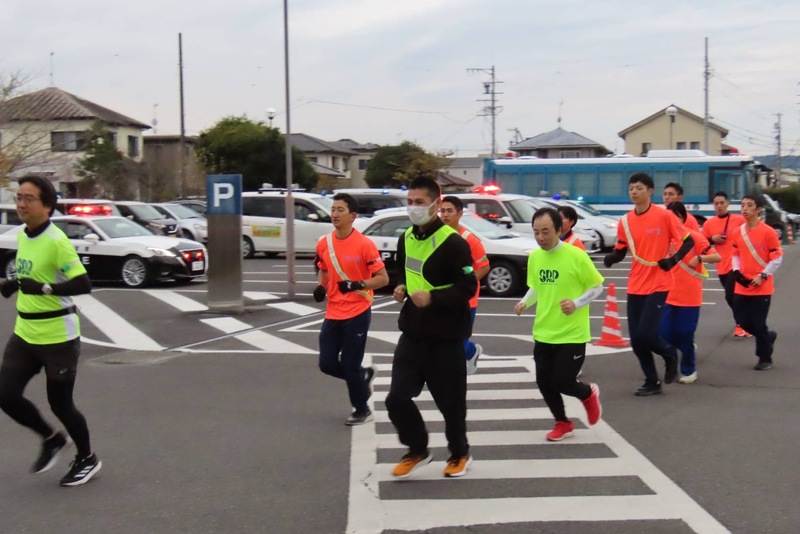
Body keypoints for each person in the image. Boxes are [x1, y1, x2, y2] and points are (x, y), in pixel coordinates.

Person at [0, 176, 101, 486]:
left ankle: (87, 458)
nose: (21, 203)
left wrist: (43, 288)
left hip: (58, 337)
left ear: (47, 205)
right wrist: (14, 283)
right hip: (25, 333)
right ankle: (52, 438)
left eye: (29, 198)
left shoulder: (57, 240)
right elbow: (30, 273)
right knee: (5, 394)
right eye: (19, 197)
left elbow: (83, 284)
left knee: (61, 404)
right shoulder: (24, 236)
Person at [385, 176, 476, 479]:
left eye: (419, 202)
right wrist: (401, 287)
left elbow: (468, 285)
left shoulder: (454, 244)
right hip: (412, 333)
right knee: (396, 398)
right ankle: (417, 448)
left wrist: (433, 297)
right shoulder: (406, 237)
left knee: (451, 404)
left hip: (446, 336)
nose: (413, 207)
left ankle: (459, 453)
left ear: (436, 204)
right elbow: (403, 271)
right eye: (409, 202)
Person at [514, 208, 604, 441]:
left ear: (559, 229)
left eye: (545, 232)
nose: (540, 237)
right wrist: (524, 302)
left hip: (572, 333)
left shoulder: (576, 256)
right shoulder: (535, 256)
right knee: (544, 382)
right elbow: (536, 286)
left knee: (562, 381)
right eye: (536, 232)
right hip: (544, 331)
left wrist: (576, 303)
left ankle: (587, 393)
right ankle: (563, 423)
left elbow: (596, 287)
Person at [604, 172, 695, 396]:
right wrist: (611, 258)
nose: (634, 192)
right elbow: (622, 249)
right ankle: (652, 381)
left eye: (639, 188)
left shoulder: (664, 216)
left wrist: (671, 260)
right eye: (631, 188)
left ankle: (670, 353)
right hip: (636, 284)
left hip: (659, 283)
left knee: (646, 333)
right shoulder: (625, 221)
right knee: (636, 340)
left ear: (650, 191)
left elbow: (688, 240)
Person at [313, 193, 389, 425]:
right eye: (333, 209)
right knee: (326, 363)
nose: (334, 214)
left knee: (349, 363)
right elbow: (324, 268)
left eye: (340, 210)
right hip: (333, 311)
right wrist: (321, 286)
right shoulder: (323, 242)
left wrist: (359, 284)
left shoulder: (365, 245)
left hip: (357, 310)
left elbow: (383, 278)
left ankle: (361, 409)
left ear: (353, 216)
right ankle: (363, 376)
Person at [659, 202, 720, 384]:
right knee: (663, 333)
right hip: (667, 294)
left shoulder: (694, 237)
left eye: (676, 216)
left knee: (685, 333)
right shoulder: (663, 239)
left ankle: (689, 369)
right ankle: (685, 349)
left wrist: (700, 258)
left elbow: (717, 256)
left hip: (689, 296)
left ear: (682, 217)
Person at [729, 194, 783, 371]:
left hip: (762, 287)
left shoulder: (768, 232)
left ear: (758, 210)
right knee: (742, 321)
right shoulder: (738, 232)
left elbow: (777, 257)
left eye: (749, 205)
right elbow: (735, 254)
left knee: (758, 323)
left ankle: (764, 357)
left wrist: (763, 275)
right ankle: (768, 336)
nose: (744, 209)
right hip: (742, 285)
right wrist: (736, 271)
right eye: (743, 205)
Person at [439, 196, 490, 375]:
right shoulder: (436, 237)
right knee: (441, 336)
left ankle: (471, 351)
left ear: (459, 214)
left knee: (458, 339)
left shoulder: (470, 240)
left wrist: (465, 284)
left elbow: (484, 266)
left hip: (466, 300)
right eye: (442, 211)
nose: (445, 215)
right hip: (443, 297)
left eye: (449, 211)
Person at [702, 191, 749, 337]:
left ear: (728, 204)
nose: (719, 206)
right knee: (733, 297)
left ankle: (741, 324)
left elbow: (750, 234)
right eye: (716, 203)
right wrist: (712, 238)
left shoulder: (738, 219)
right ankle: (745, 321)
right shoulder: (709, 224)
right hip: (720, 265)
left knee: (730, 296)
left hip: (736, 264)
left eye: (722, 203)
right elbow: (703, 243)